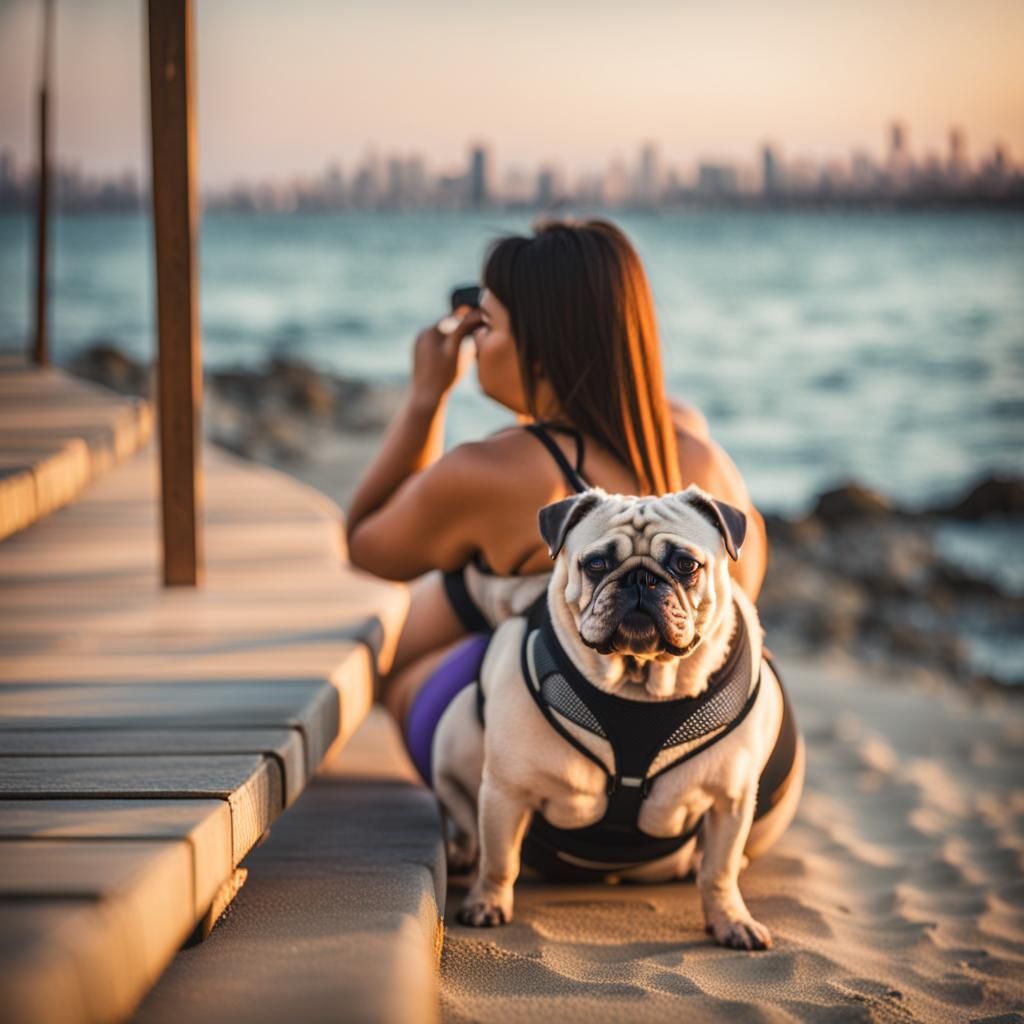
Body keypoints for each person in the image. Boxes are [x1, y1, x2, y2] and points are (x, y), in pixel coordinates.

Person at [346, 219, 767, 782]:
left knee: (406, 663)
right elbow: (745, 592)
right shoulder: (699, 450)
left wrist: (426, 397)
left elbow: (367, 546)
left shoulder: (491, 471)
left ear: (539, 355)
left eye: (486, 325)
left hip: (561, 789)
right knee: (504, 597)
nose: (474, 341)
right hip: (704, 766)